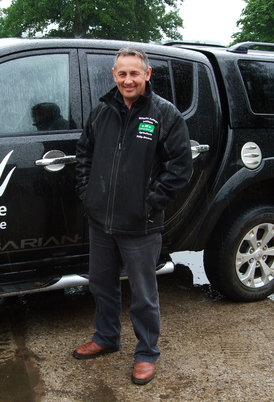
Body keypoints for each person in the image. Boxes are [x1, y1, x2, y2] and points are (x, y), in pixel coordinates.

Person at [73, 46, 193, 385]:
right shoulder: (101, 111)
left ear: (147, 74)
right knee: (101, 284)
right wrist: (88, 195)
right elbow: (84, 154)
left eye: (134, 73)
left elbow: (180, 168)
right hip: (102, 222)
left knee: (143, 294)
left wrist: (149, 203)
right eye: (122, 73)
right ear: (114, 75)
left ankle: (146, 353)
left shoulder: (164, 115)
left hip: (141, 225)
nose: (128, 80)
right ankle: (106, 337)